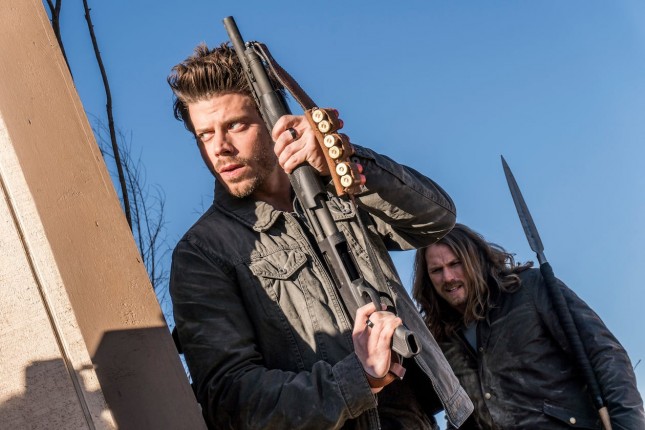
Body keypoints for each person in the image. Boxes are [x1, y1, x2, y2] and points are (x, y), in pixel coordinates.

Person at [167, 42, 473, 429]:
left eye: (236, 125)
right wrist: (357, 379)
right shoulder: (203, 252)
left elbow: (436, 219)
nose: (220, 148)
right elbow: (229, 399)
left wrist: (340, 163)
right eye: (204, 135)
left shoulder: (336, 190)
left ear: (273, 120)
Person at [412, 223, 645, 429]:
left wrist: (628, 426)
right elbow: (464, 417)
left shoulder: (529, 289)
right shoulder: (441, 342)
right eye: (437, 270)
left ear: (474, 260)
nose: (448, 277)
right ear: (427, 278)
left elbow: (606, 355)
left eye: (456, 264)